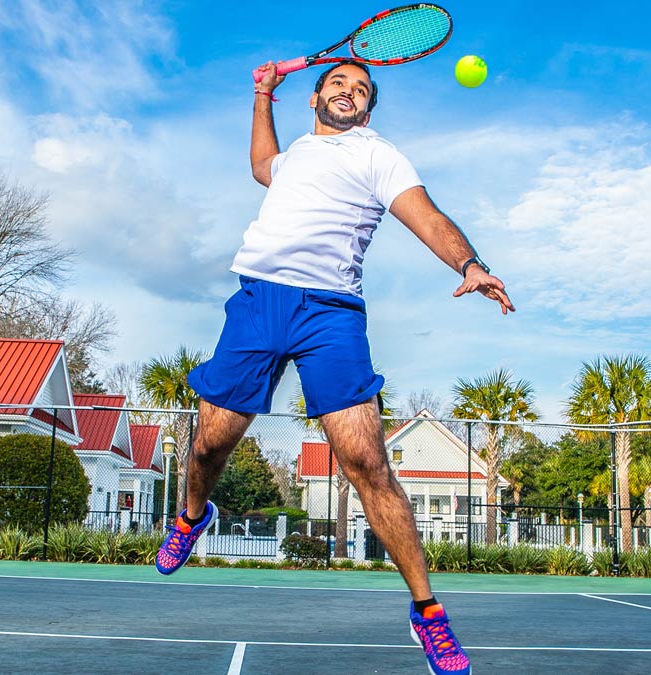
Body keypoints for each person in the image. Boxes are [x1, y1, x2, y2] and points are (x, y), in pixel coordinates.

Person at [155, 59, 514, 675]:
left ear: (368, 109)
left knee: (367, 461)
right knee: (210, 446)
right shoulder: (296, 152)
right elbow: (262, 168)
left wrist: (469, 264)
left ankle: (428, 614)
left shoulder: (379, 155)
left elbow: (425, 214)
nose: (350, 93)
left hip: (332, 313)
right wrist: (262, 96)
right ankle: (192, 517)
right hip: (258, 300)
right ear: (316, 96)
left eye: (362, 90)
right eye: (339, 85)